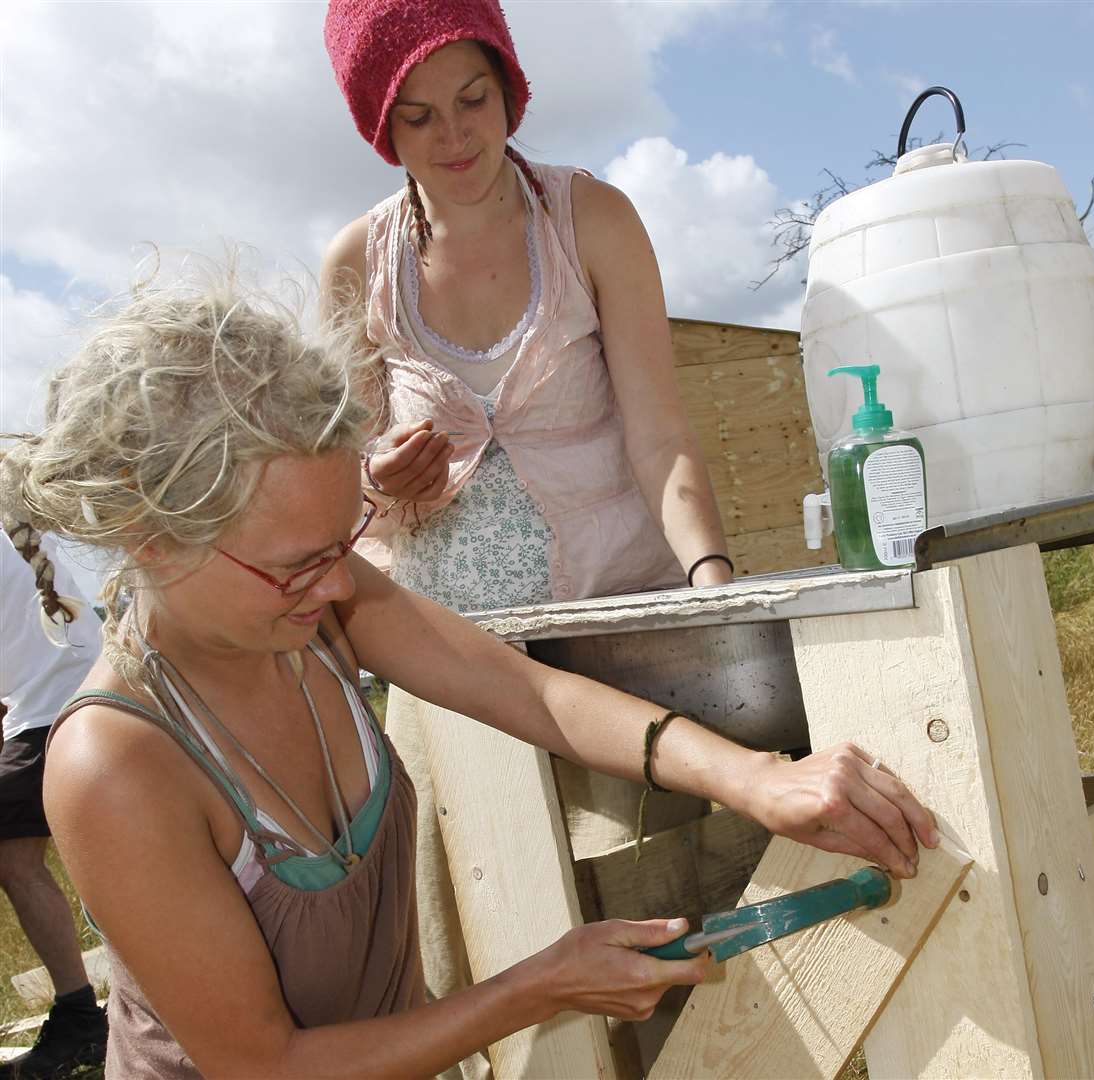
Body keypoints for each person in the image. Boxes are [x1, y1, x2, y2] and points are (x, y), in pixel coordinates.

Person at [0, 275, 937, 1079]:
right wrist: (538, 987)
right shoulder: (115, 765)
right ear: (149, 537)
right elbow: (265, 1064)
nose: (335, 584)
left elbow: (530, 694)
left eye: (346, 540)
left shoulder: (315, 599)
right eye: (295, 563)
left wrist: (752, 776)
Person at [318, 3, 741, 1050]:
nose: (456, 137)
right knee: (493, 953)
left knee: (648, 925)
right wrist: (376, 476)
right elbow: (331, 498)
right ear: (382, 127)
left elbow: (659, 437)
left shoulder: (588, 218)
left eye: (474, 99)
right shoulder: (351, 268)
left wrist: (710, 577)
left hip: (610, 643)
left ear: (510, 84)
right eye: (417, 119)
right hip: (445, 669)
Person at [0, 528, 107, 1079]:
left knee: (15, 861)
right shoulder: (22, 525)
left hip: (44, 713)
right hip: (104, 690)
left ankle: (81, 1018)